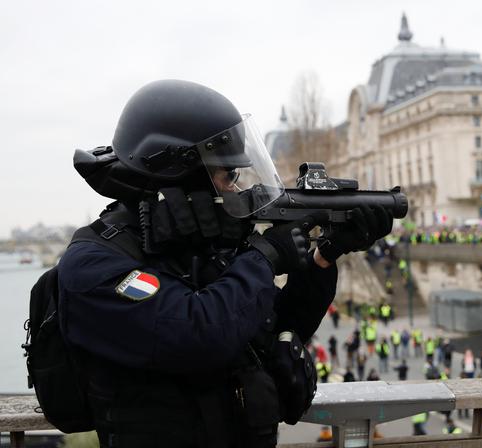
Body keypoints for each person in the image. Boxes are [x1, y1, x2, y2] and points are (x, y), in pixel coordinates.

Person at [59, 80, 394, 448]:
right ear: (180, 175)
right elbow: (199, 334)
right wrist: (265, 257)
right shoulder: (95, 263)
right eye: (227, 175)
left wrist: (323, 257)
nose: (235, 189)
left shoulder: (198, 249)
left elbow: (275, 329)